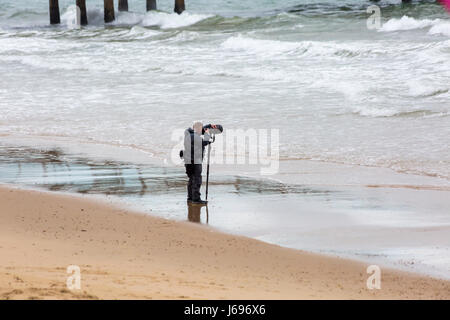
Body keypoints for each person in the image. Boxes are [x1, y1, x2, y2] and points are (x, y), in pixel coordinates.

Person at [183, 121, 211, 205]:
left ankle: (190, 197)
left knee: (191, 179)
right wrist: (207, 133)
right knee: (197, 180)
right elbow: (204, 142)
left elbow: (199, 144)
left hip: (188, 161)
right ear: (196, 128)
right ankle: (196, 199)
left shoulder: (188, 135)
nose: (201, 130)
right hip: (195, 161)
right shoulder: (194, 136)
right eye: (200, 128)